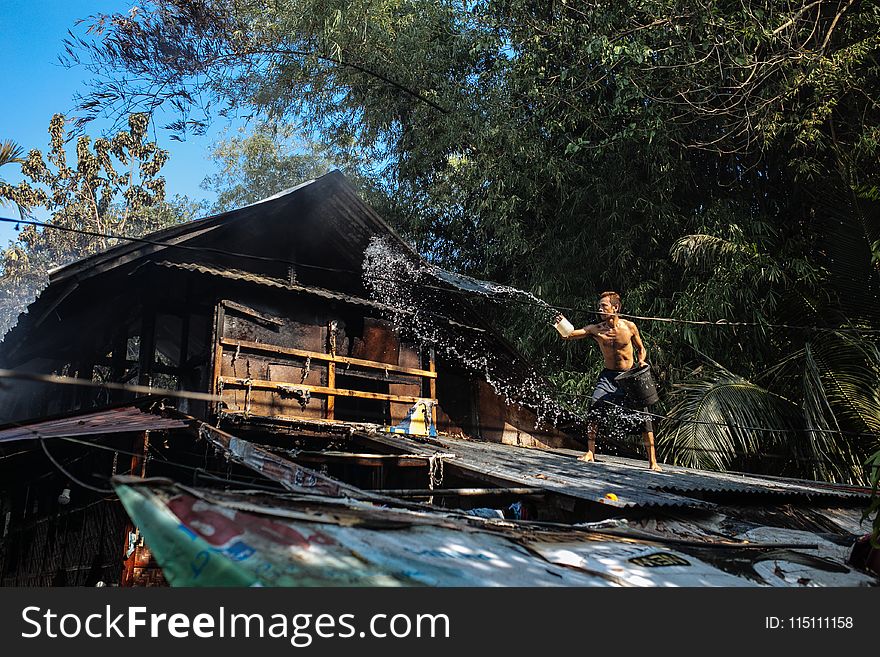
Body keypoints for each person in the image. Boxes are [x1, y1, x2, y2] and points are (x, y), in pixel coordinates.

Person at [554, 291, 661, 471]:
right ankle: (590, 453)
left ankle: (653, 462)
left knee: (644, 417)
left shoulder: (629, 327)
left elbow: (641, 349)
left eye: (603, 306)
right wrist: (561, 324)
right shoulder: (596, 329)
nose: (600, 309)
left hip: (630, 376)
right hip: (608, 376)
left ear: (615, 307)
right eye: (599, 306)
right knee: (594, 406)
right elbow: (569, 335)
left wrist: (642, 361)